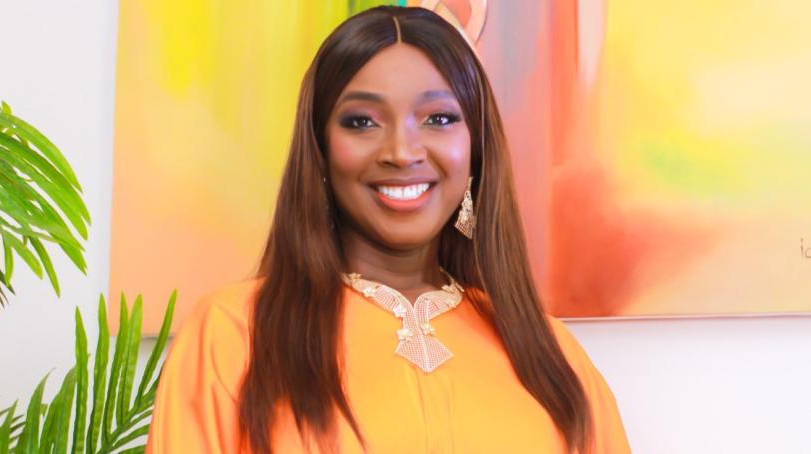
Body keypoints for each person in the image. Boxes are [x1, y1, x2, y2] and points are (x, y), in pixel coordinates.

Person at [146, 5, 630, 454]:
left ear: (476, 150)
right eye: (362, 121)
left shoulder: (550, 355)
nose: (402, 151)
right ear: (319, 148)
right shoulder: (233, 336)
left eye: (438, 118)